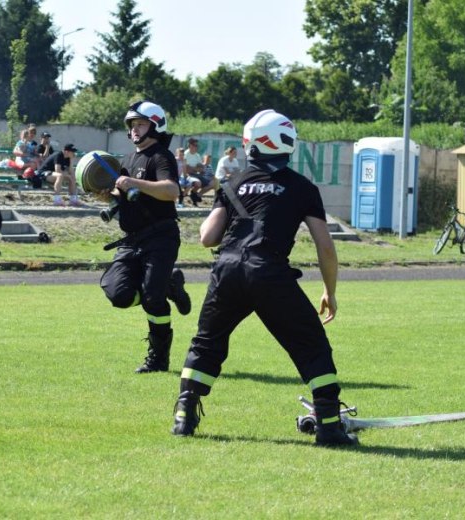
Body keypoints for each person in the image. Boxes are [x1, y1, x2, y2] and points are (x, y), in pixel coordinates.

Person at [171, 109, 358, 446]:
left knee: (207, 342)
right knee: (311, 344)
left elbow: (207, 238)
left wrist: (226, 200)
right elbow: (325, 248)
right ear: (287, 143)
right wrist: (330, 290)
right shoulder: (301, 187)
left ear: (250, 145)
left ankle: (184, 413)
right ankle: (329, 425)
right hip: (269, 271)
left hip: (226, 270)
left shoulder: (232, 184)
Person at [98, 100, 192, 373]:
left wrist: (133, 183)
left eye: (140, 123)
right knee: (118, 294)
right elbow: (122, 194)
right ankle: (169, 286)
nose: (135, 129)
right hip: (131, 240)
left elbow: (172, 191)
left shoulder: (161, 156)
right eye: (132, 125)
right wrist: (107, 194)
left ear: (155, 125)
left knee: (152, 298)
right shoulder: (127, 160)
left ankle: (158, 359)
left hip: (161, 236)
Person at [184, 138, 205, 206]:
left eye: (197, 145)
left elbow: (202, 169)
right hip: (187, 175)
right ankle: (193, 196)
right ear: (190, 145)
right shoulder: (185, 154)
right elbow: (187, 169)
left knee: (212, 183)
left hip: (196, 175)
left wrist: (193, 168)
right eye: (195, 145)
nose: (197, 147)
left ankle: (195, 195)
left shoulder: (197, 155)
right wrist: (197, 169)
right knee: (198, 183)